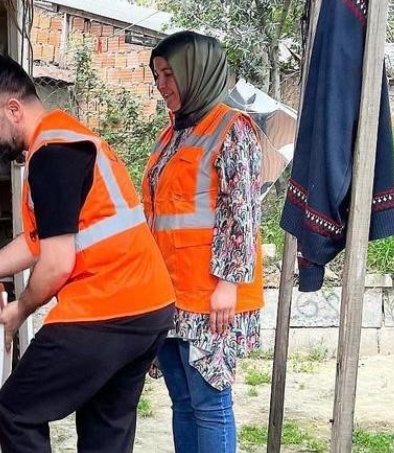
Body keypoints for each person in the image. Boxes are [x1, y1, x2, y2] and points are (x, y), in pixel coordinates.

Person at [0, 54, 176, 453]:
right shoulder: (66, 139)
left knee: (17, 410)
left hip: (105, 309)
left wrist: (20, 310)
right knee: (104, 428)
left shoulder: (51, 156)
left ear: (13, 109)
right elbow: (40, 240)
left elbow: (56, 263)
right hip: (148, 307)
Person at [142, 31, 265, 453]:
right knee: (182, 401)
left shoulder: (232, 129)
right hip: (170, 293)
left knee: (210, 403)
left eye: (169, 74)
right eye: (156, 76)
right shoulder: (173, 134)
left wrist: (228, 285)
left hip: (212, 296)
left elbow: (241, 213)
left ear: (195, 71)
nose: (162, 85)